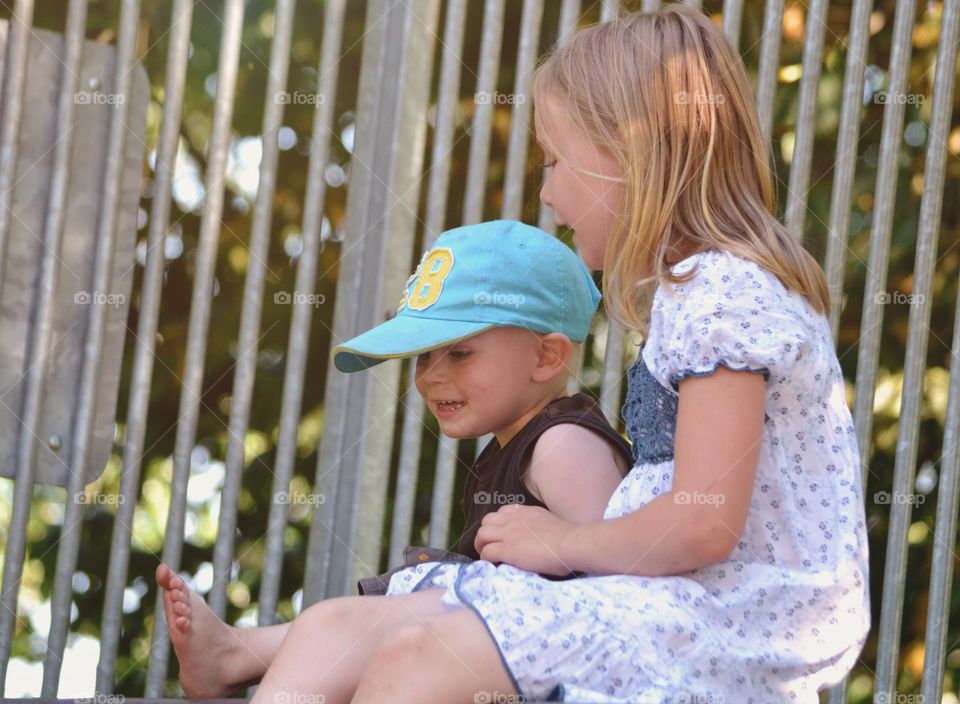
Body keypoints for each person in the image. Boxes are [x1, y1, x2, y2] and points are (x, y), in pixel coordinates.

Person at [155, 219, 633, 698]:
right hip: (512, 656)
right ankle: (240, 651)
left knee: (335, 628)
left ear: (547, 357)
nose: (430, 377)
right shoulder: (521, 444)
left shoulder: (561, 445)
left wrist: (565, 543)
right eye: (424, 356)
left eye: (460, 353)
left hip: (568, 668)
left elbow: (628, 584)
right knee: (333, 627)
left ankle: (239, 653)